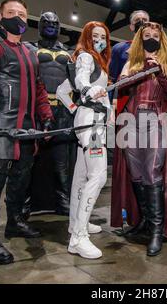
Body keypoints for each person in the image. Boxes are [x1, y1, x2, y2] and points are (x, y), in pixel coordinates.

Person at [0, 0, 53, 265]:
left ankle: (15, 221)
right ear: (0, 16)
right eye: (11, 12)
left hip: (26, 130)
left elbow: (39, 88)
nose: (18, 18)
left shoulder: (30, 52)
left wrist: (46, 117)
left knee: (20, 181)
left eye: (22, 15)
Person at [111, 22, 167, 256]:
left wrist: (158, 71)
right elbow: (120, 86)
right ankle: (145, 221)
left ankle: (157, 231)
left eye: (155, 35)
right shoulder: (132, 62)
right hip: (130, 120)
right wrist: (143, 69)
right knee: (136, 173)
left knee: (152, 172)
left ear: (162, 39)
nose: (151, 38)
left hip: (156, 121)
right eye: (146, 35)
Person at [57, 21, 111, 259]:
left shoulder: (98, 62)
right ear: (88, 37)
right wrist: (87, 94)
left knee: (81, 177)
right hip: (90, 125)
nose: (100, 40)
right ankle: (78, 238)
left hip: (92, 121)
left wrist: (75, 107)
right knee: (98, 176)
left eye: (103, 36)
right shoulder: (86, 57)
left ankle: (76, 225)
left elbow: (61, 90)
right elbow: (80, 80)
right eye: (95, 35)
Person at [23, 11, 78, 217]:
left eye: (55, 23)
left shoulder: (68, 52)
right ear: (39, 25)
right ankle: (26, 202)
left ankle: (63, 201)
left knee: (61, 159)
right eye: (46, 22)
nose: (51, 26)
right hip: (37, 108)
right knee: (30, 158)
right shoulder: (29, 48)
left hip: (63, 108)